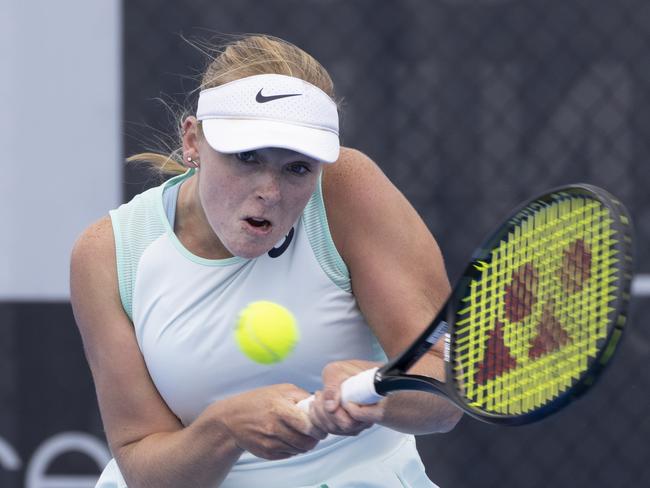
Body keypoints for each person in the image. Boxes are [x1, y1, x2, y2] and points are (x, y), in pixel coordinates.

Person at [70, 34, 462, 488]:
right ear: (193, 140)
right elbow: (145, 469)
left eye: (297, 168)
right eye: (247, 157)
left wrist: (380, 390)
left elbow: (446, 390)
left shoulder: (347, 190)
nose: (269, 193)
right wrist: (226, 428)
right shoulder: (108, 253)